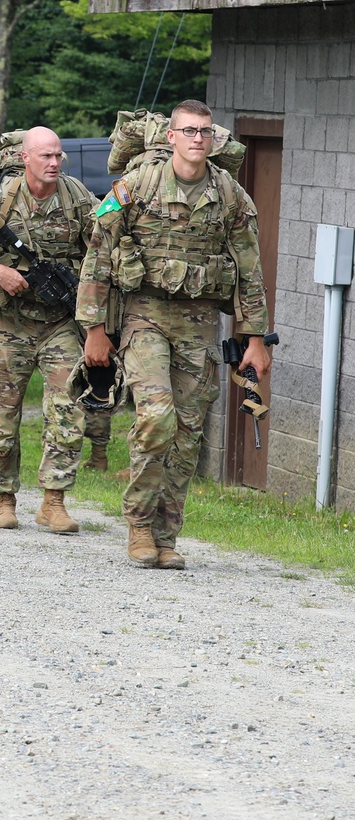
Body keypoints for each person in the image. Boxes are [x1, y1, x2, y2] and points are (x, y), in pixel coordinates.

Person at [79, 99, 271, 569]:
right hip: (145, 315)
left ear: (213, 137)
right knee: (158, 415)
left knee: (187, 433)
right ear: (171, 137)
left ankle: (166, 538)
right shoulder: (136, 186)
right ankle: (139, 525)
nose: (197, 139)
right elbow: (98, 257)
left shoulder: (230, 196)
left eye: (204, 131)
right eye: (188, 131)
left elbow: (249, 270)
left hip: (200, 323)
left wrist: (256, 339)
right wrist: (94, 331)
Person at [0, 127, 96, 531]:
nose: (53, 163)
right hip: (8, 323)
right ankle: (3, 499)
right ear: (26, 157)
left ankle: (54, 501)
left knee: (68, 410)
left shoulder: (79, 199)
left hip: (60, 324)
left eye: (58, 156)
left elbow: (101, 250)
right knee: (3, 416)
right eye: (45, 156)